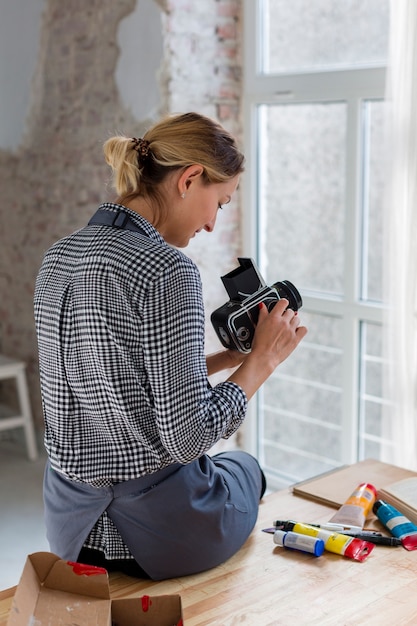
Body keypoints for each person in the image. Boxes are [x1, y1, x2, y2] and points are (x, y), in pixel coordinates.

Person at [34, 112, 307, 580]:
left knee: (222, 466)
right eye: (219, 204)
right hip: (158, 537)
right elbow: (186, 439)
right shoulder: (167, 270)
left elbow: (116, 380)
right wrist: (262, 362)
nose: (211, 225)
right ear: (190, 178)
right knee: (246, 467)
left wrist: (230, 359)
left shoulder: (59, 255)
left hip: (70, 531)